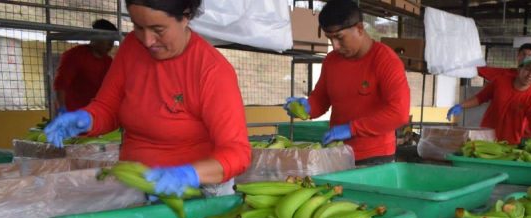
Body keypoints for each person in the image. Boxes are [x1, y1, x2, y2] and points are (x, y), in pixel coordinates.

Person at [44, 0, 251, 197]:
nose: (147, 40)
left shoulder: (211, 71)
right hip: (135, 184)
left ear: (185, 17)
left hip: (197, 191)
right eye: (138, 27)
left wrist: (189, 174)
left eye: (158, 30)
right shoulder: (132, 47)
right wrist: (88, 119)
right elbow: (108, 107)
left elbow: (237, 153)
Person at [282, 0, 410, 166]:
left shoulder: (386, 61)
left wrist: (352, 129)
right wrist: (306, 106)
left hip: (375, 157)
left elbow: (399, 113)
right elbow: (320, 99)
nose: (335, 46)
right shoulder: (331, 61)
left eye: (339, 38)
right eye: (330, 39)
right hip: (338, 153)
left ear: (359, 29)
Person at [447, 55, 531, 145]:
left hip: (510, 143)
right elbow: (481, 97)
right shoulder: (500, 81)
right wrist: (461, 106)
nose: (530, 74)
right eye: (527, 69)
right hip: (486, 136)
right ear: (519, 69)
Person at [477, 43, 531, 136]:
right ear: (518, 56)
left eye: (529, 55)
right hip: (501, 127)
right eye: (523, 54)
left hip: (525, 130)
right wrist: (464, 66)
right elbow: (485, 71)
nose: (525, 57)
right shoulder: (507, 74)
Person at [53, 19, 118, 113]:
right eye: (108, 39)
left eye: (113, 40)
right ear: (95, 37)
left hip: (95, 116)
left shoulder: (108, 62)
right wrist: (62, 110)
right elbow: (60, 86)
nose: (110, 44)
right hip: (73, 115)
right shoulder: (75, 56)